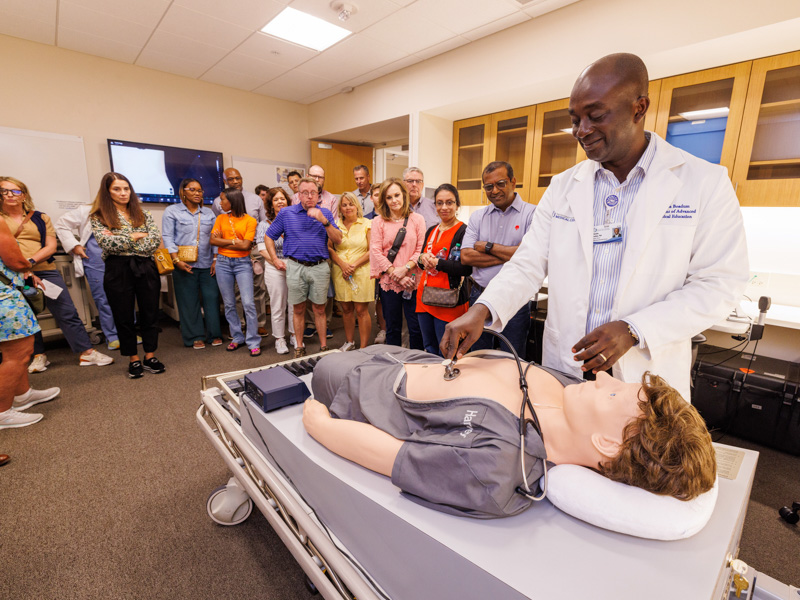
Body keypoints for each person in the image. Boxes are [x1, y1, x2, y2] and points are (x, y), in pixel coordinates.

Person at [442, 53, 749, 400]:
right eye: (575, 119)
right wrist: (481, 311)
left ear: (639, 107)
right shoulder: (563, 186)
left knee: (640, 451)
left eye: (596, 116)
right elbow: (527, 263)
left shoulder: (703, 182)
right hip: (567, 368)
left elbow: (720, 283)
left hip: (643, 372)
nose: (581, 131)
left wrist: (634, 329)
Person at [303, 346, 717, 519]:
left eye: (612, 393)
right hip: (411, 356)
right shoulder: (565, 389)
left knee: (325, 364)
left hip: (364, 387)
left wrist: (321, 426)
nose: (604, 374)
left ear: (607, 444)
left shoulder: (499, 464)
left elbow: (390, 455)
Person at [0, 177, 114, 373]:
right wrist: (24, 270)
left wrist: (31, 263)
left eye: (15, 191)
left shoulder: (39, 217)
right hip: (13, 275)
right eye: (4, 191)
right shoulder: (1, 220)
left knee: (66, 310)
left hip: (44, 270)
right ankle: (38, 356)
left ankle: (86, 352)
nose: (10, 195)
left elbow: (51, 245)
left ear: (24, 195)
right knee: (29, 316)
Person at [90, 172, 165, 379]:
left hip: (145, 265)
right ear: (107, 192)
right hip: (118, 268)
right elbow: (107, 244)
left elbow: (153, 241)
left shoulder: (143, 213)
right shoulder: (99, 216)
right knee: (123, 315)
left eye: (126, 188)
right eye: (116, 189)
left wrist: (123, 238)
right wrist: (135, 235)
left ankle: (150, 356)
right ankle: (133, 359)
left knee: (150, 312)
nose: (123, 193)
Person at [459, 161, 536, 358]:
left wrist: (487, 246)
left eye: (501, 183)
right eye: (489, 186)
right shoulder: (478, 216)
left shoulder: (532, 214)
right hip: (479, 295)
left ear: (513, 182)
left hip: (515, 299)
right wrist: (511, 256)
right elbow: (466, 256)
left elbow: (530, 254)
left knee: (513, 356)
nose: (495, 190)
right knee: (478, 355)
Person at [264, 177, 342, 358]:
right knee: (298, 309)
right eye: (305, 193)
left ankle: (323, 347)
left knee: (320, 309)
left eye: (313, 192)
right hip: (296, 266)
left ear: (318, 195)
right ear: (298, 195)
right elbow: (269, 236)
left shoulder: (326, 213)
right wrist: (275, 259)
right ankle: (299, 346)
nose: (309, 196)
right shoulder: (286, 213)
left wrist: (324, 221)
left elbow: (338, 239)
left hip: (320, 267)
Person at [0, 218, 60, 431]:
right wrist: (27, 266)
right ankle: (2, 413)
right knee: (19, 352)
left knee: (14, 351)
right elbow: (15, 261)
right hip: (4, 297)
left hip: (7, 290)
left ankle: (23, 395)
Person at [161, 178, 222, 349]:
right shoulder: (172, 211)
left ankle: (214, 334)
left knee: (212, 299)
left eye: (200, 190)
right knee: (188, 301)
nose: (197, 193)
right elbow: (167, 237)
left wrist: (216, 259)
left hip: (208, 263)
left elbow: (215, 238)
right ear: (183, 192)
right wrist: (176, 260)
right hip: (183, 264)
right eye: (192, 189)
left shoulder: (209, 213)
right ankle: (195, 336)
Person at [415, 184, 472, 356]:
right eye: (440, 203)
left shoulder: (464, 231)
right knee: (429, 347)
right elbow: (421, 262)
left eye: (449, 202)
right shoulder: (431, 230)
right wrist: (421, 259)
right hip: (425, 298)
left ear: (457, 205)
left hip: (449, 300)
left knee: (447, 349)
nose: (444, 207)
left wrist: (438, 263)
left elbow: (466, 268)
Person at [369, 178, 426, 350]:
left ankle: (416, 363)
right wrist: (396, 274)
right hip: (390, 281)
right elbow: (376, 252)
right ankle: (393, 363)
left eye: (397, 195)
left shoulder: (417, 219)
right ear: (384, 200)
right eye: (389, 197)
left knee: (416, 328)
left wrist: (406, 269)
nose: (394, 200)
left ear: (404, 195)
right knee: (392, 328)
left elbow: (420, 249)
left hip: (413, 281)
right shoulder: (378, 222)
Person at [55, 204, 121, 351]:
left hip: (121, 259)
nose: (121, 194)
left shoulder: (128, 211)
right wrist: (74, 245)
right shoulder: (88, 210)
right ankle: (113, 336)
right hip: (96, 260)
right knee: (104, 299)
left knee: (125, 297)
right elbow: (61, 224)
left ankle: (127, 333)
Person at [212, 168, 268, 337]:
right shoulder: (218, 203)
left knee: (257, 290)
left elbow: (264, 224)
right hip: (227, 257)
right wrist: (234, 243)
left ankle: (259, 324)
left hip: (254, 250)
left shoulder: (255, 199)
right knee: (234, 294)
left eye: (238, 178)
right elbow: (215, 236)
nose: (235, 181)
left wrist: (246, 244)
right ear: (225, 181)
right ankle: (240, 326)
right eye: (231, 179)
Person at [210, 188, 261, 357]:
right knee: (229, 303)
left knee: (248, 303)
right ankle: (237, 337)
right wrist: (233, 241)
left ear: (232, 201)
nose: (220, 203)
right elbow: (212, 240)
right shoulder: (220, 218)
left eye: (223, 199)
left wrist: (222, 242)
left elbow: (246, 246)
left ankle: (253, 340)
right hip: (223, 263)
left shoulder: (250, 221)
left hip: (242, 263)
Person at [329, 192, 374, 352]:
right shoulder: (334, 224)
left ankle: (363, 347)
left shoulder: (367, 223)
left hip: (361, 271)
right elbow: (329, 247)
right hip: (341, 272)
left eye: (351, 204)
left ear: (357, 206)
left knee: (362, 311)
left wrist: (353, 266)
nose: (348, 207)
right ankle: (349, 342)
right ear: (340, 208)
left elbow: (371, 250)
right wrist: (342, 265)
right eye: (344, 204)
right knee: (346, 310)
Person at [256, 187, 295, 355]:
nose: (280, 202)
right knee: (277, 305)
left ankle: (294, 334)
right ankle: (280, 338)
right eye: (276, 199)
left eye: (283, 199)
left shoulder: (295, 220)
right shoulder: (264, 225)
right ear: (271, 204)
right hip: (274, 267)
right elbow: (262, 249)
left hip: (294, 266)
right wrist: (277, 262)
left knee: (295, 304)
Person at [364, 183, 386, 343]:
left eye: (382, 194)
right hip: (373, 265)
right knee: (378, 299)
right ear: (371, 198)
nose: (379, 197)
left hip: (391, 264)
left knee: (388, 299)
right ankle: (383, 330)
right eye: (376, 194)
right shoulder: (365, 220)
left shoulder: (392, 217)